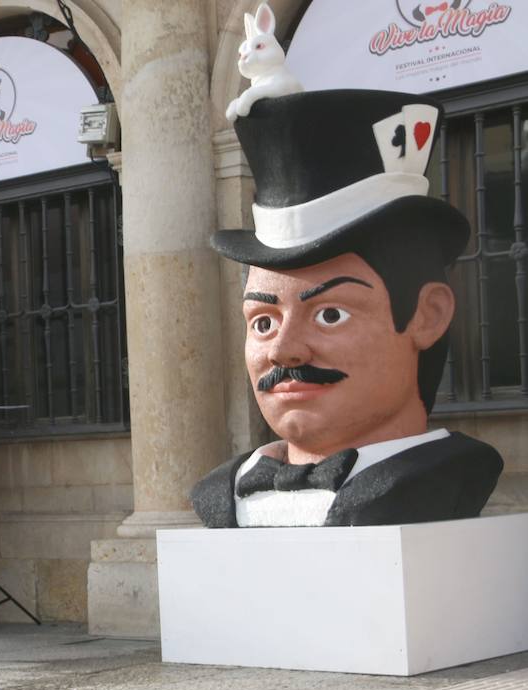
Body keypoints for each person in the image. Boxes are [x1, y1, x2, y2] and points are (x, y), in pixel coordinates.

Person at [192, 86, 502, 527]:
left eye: (329, 314)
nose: (284, 351)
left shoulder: (435, 486)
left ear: (427, 315)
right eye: (263, 322)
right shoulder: (223, 496)